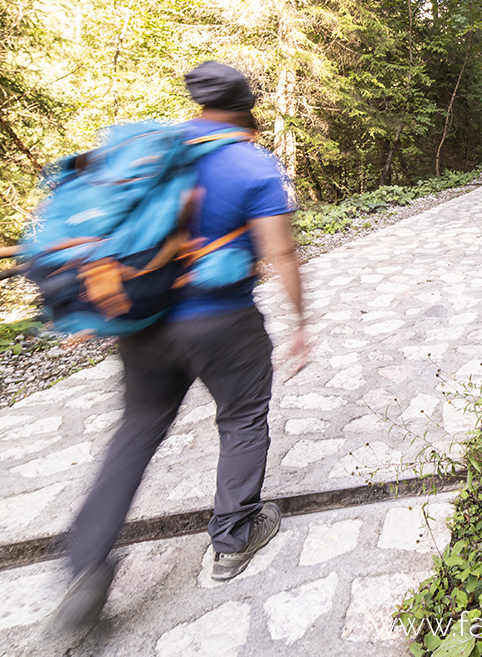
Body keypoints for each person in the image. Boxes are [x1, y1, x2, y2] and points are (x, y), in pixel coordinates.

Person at [57, 61, 310, 629]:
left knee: (137, 429)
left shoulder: (155, 150)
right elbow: (282, 253)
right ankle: (232, 540)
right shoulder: (251, 161)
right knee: (242, 417)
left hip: (144, 322)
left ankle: (86, 562)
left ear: (198, 105)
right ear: (248, 110)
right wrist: (300, 322)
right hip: (223, 320)